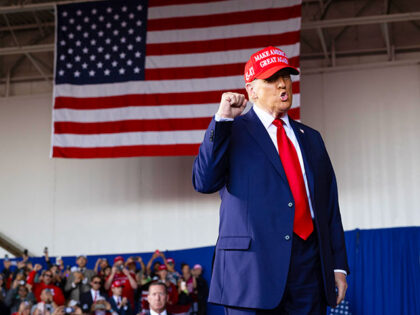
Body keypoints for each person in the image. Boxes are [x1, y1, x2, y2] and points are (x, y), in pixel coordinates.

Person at [192, 46, 349, 314]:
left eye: (286, 76)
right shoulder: (232, 130)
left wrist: (338, 266)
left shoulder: (311, 138)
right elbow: (204, 181)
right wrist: (221, 120)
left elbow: (329, 206)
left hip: (309, 270)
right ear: (251, 90)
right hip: (251, 272)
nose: (282, 84)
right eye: (272, 79)